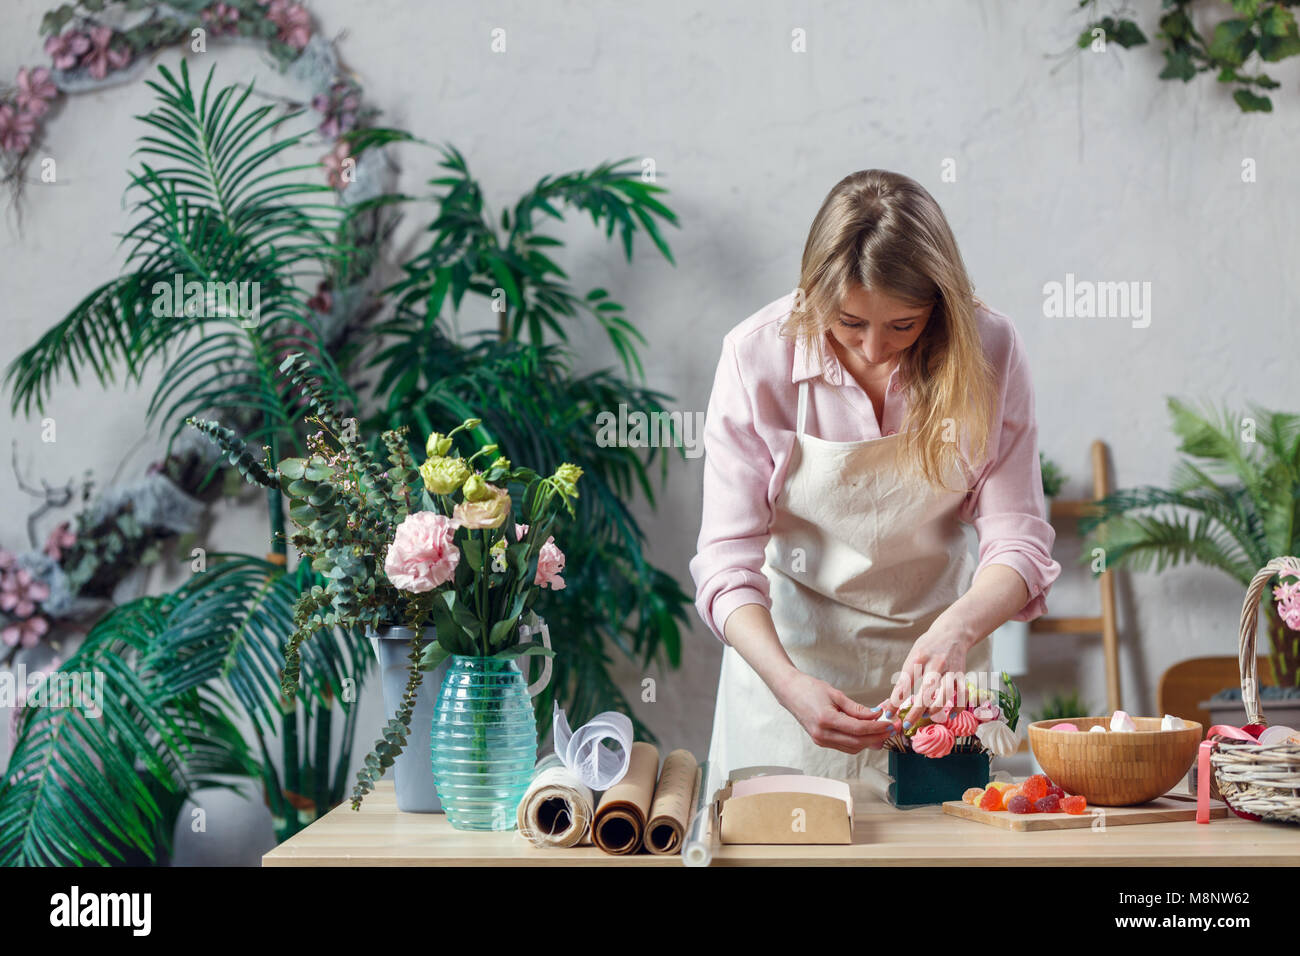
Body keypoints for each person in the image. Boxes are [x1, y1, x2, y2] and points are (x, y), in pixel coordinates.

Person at [689, 169, 1062, 795]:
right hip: (790, 683)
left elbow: (1019, 541)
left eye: (904, 325)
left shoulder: (991, 349)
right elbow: (727, 563)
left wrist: (957, 628)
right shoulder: (754, 358)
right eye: (849, 322)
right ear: (814, 294)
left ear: (939, 307)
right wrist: (787, 684)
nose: (873, 348)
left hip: (941, 690)